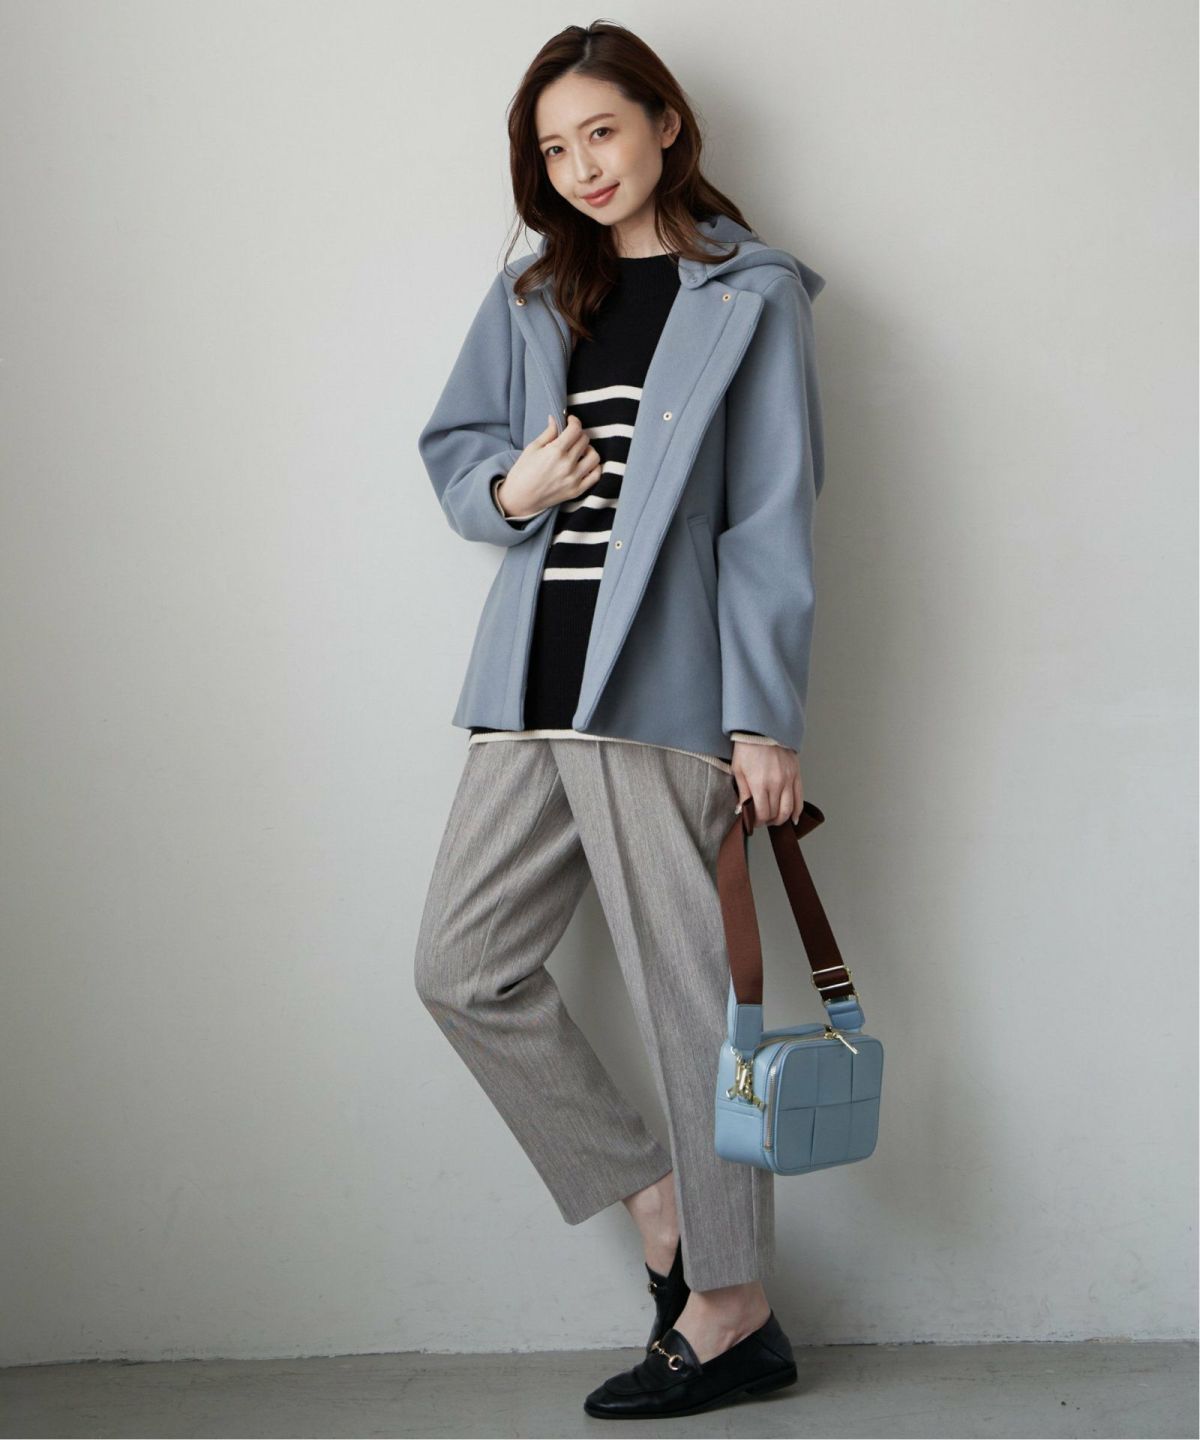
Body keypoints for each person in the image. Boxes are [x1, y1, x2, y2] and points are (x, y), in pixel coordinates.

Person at [414, 20, 826, 1420]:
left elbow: (770, 520)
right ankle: (663, 1213)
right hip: (532, 682)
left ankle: (734, 1307)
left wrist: (762, 718)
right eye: (554, 147)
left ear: (665, 123)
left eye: (601, 130)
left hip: (665, 690)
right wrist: (510, 492)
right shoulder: (536, 288)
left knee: (689, 1005)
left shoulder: (750, 295)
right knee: (462, 968)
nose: (582, 166)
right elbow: (456, 449)